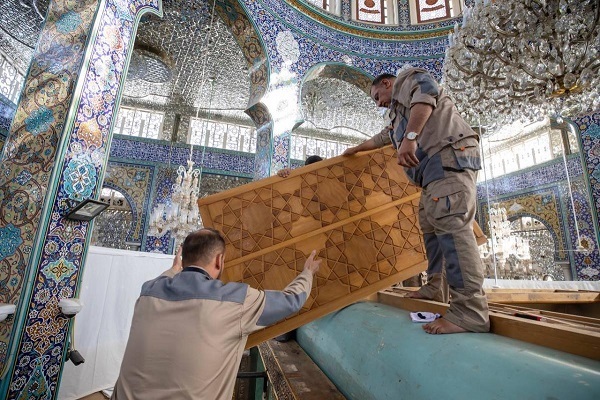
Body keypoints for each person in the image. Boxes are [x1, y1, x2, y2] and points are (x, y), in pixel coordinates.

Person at [343, 67, 489, 335]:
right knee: (431, 227)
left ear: (387, 83)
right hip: (431, 173)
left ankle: (470, 312)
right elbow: (385, 137)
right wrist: (356, 149)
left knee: (453, 230)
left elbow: (426, 98)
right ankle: (436, 287)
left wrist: (410, 139)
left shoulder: (409, 78)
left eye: (377, 96)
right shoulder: (398, 112)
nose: (378, 103)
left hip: (447, 158)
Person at [111, 228, 321, 400]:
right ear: (220, 260)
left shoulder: (148, 293)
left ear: (182, 260)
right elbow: (292, 300)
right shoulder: (235, 300)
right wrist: (308, 272)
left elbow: (166, 276)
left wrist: (175, 269)